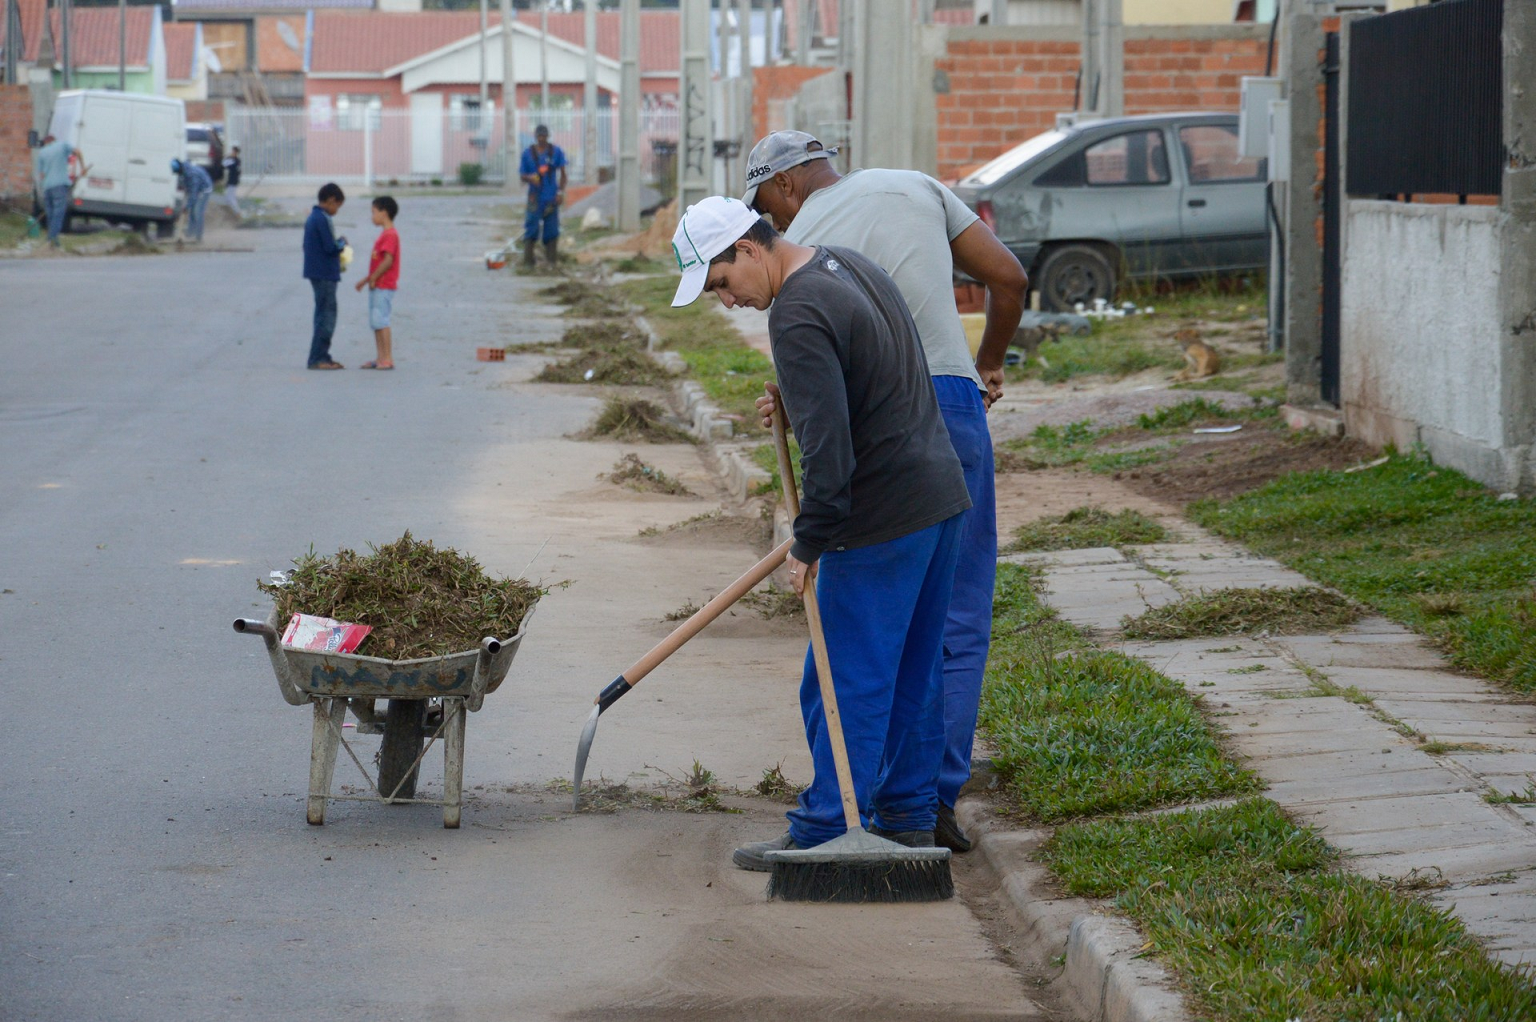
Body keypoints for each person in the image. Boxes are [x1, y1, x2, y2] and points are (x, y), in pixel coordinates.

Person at [742, 130, 1029, 854]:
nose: (772, 218)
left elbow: (831, 396)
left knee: (855, 637)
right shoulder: (917, 186)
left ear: (784, 185)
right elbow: (1009, 278)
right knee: (950, 620)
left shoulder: (800, 247)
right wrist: (990, 362)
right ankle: (925, 804)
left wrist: (811, 534)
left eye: (767, 205)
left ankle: (838, 815)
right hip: (953, 410)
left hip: (880, 423)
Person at [669, 196, 973, 871]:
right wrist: (801, 394)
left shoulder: (796, 313)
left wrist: (809, 542)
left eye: (721, 283)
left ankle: (827, 828)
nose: (727, 302)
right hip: (939, 496)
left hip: (879, 517)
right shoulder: (844, 264)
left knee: (840, 680)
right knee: (914, 672)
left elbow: (829, 457)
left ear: (748, 248)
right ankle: (908, 818)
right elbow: (878, 370)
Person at [302, 182, 348, 370]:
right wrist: (342, 243)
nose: (337, 210)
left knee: (322, 314)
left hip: (317, 272)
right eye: (337, 206)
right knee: (327, 316)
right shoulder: (322, 219)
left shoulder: (314, 217)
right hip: (324, 273)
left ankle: (322, 355)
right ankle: (318, 358)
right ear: (330, 201)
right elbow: (330, 247)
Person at [355, 196, 400, 370]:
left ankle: (388, 358)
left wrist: (373, 278)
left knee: (382, 320)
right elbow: (378, 263)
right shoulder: (385, 235)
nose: (372, 216)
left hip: (384, 285)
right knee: (376, 321)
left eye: (374, 212)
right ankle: (380, 357)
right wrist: (366, 280)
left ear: (384, 213)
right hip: (377, 284)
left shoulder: (390, 235)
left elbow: (388, 261)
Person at [518, 125, 567, 269]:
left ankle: (551, 262)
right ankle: (528, 262)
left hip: (551, 196)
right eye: (539, 136)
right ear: (535, 136)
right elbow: (522, 175)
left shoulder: (556, 152)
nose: (541, 139)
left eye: (544, 136)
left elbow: (563, 175)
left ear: (548, 136)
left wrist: (560, 193)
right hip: (535, 197)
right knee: (531, 227)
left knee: (552, 230)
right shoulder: (527, 154)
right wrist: (530, 178)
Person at [33, 134, 79, 247]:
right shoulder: (62, 145)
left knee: (50, 214)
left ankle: (51, 238)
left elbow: (41, 174)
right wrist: (82, 167)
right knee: (58, 213)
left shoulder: (42, 152)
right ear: (54, 140)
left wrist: (44, 186)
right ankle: (52, 239)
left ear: (45, 142)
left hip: (47, 187)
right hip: (60, 186)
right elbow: (78, 152)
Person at [172, 158, 213, 243]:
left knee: (197, 212)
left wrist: (187, 206)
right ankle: (190, 233)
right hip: (196, 188)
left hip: (204, 189)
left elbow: (194, 194)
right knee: (192, 211)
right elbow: (186, 185)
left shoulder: (192, 175)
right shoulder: (184, 170)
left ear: (180, 169)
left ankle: (198, 237)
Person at [220, 146, 242, 216]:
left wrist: (227, 157)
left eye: (233, 151)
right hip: (233, 180)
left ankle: (237, 212)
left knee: (230, 197)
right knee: (228, 197)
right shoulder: (237, 160)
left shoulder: (233, 160)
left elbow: (223, 164)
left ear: (235, 152)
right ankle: (231, 212)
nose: (232, 153)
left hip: (232, 181)